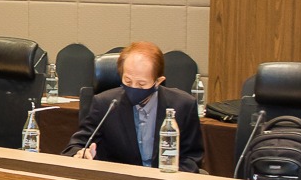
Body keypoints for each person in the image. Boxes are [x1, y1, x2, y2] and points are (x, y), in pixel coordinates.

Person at [63, 41, 204, 171]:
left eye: (141, 84)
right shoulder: (105, 104)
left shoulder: (183, 105)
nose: (134, 88)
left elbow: (192, 157)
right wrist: (81, 154)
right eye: (128, 81)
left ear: (158, 81)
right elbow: (75, 146)